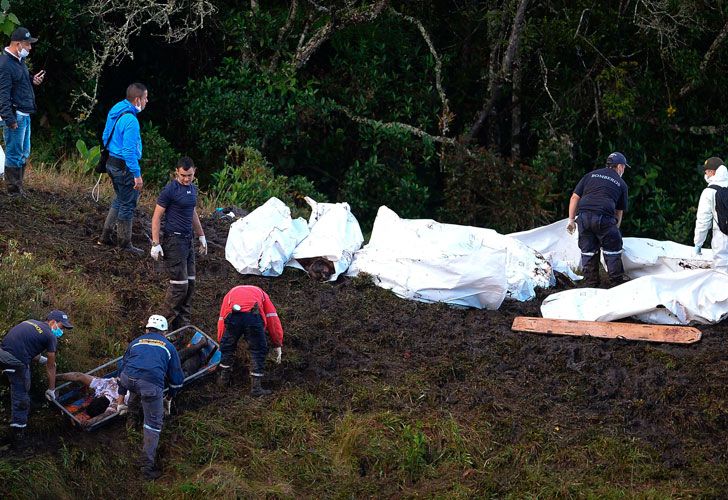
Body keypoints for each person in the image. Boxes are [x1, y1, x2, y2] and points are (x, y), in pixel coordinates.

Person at [117, 314, 184, 480]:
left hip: (128, 379)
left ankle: (131, 420)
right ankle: (146, 467)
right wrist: (169, 397)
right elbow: (176, 379)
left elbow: (123, 368)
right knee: (153, 424)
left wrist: (120, 398)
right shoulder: (168, 346)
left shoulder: (136, 342)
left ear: (147, 329)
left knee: (135, 383)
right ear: (164, 332)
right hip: (150, 385)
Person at [0, 310, 72, 449]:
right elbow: (51, 367)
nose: (62, 331)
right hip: (15, 361)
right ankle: (18, 436)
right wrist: (51, 389)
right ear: (52, 322)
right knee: (22, 395)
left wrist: (41, 359)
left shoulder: (31, 322)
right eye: (62, 327)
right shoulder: (51, 336)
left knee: (20, 380)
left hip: (2, 353)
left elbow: (25, 345)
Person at [150, 156, 207, 331]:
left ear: (194, 172)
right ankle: (160, 327)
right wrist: (155, 243)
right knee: (179, 287)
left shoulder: (192, 189)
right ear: (177, 172)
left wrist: (201, 236)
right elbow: (156, 217)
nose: (186, 179)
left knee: (190, 285)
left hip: (188, 240)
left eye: (189, 175)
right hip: (174, 241)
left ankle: (183, 327)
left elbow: (192, 213)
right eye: (183, 175)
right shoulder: (170, 190)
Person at [98, 82, 149, 255]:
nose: (147, 101)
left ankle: (105, 236)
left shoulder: (117, 109)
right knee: (128, 204)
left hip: (111, 163)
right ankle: (124, 243)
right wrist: (137, 175)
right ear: (137, 100)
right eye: (145, 98)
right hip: (124, 167)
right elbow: (129, 151)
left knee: (119, 199)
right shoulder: (131, 121)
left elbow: (105, 135)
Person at [566, 152, 630, 287]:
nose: (623, 170)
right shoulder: (621, 183)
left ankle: (590, 283)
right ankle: (616, 283)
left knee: (588, 251)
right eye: (624, 167)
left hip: (583, 217)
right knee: (612, 250)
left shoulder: (590, 175)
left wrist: (571, 220)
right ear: (619, 166)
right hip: (604, 218)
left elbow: (574, 198)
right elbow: (619, 211)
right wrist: (615, 228)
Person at [0, 27, 45, 196]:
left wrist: (33, 79)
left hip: (25, 114)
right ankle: (13, 191)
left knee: (24, 152)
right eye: (28, 44)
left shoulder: (19, 61)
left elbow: (20, 81)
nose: (30, 48)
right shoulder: (4, 64)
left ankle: (19, 188)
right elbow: (2, 95)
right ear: (18, 44)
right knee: (14, 153)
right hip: (15, 115)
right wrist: (9, 119)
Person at [216, 285, 283, 396]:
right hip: (253, 317)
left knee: (228, 347)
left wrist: (221, 341)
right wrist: (277, 343)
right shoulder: (262, 294)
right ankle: (256, 388)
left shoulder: (230, 294)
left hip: (233, 316)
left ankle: (224, 380)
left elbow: (222, 319)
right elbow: (272, 318)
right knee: (258, 350)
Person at [693, 156, 728, 269]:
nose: (705, 173)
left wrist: (698, 243)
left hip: (722, 236)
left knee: (722, 271)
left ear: (712, 172)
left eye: (706, 170)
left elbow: (703, 221)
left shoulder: (709, 192)